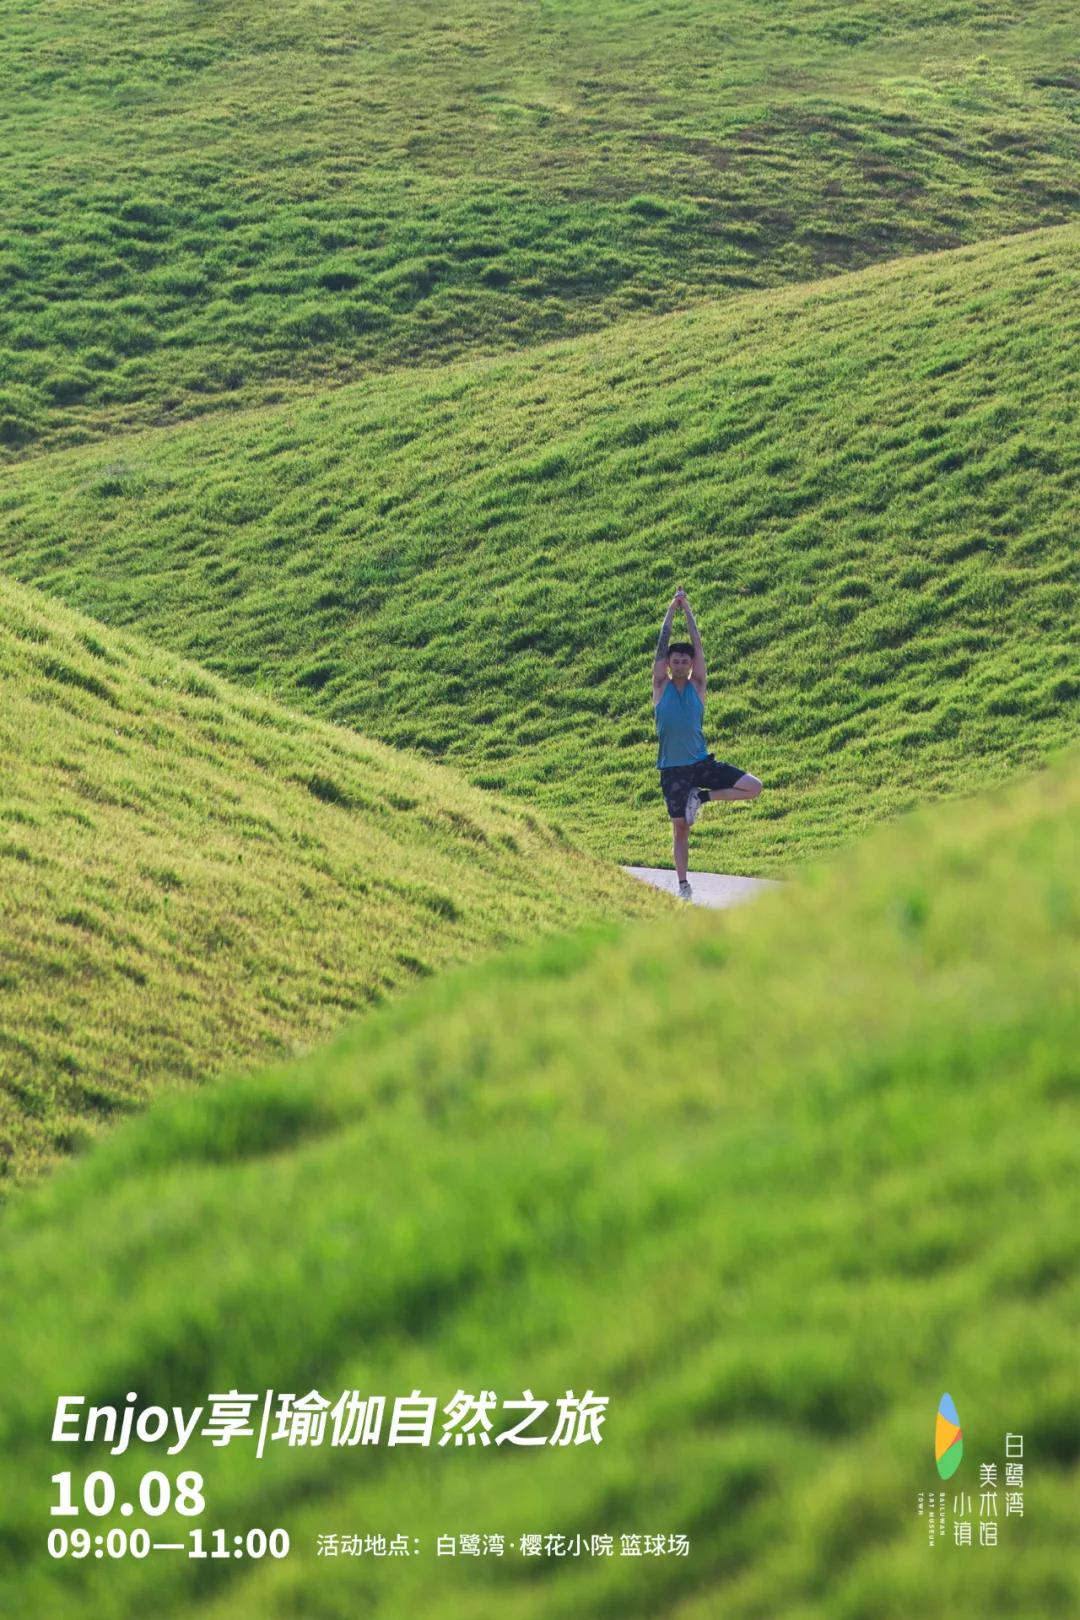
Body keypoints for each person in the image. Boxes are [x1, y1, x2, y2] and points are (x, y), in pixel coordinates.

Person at [652, 588, 762, 901]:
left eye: (686, 660)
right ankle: (683, 885)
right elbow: (660, 650)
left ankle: (703, 798)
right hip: (672, 770)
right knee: (680, 828)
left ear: (690, 664)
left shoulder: (698, 686)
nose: (682, 663)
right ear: (670, 665)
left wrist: (688, 610)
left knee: (754, 786)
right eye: (677, 660)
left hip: (701, 763)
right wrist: (671, 611)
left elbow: (699, 648)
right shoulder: (661, 687)